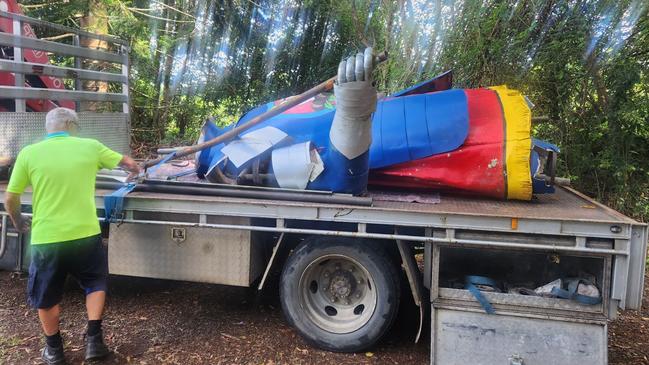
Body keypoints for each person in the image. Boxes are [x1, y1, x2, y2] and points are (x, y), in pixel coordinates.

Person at [4, 107, 140, 365]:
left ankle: (54, 351)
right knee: (95, 282)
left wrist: (18, 220)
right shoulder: (90, 146)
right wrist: (136, 170)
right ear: (72, 126)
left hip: (47, 239)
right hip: (85, 234)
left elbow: (11, 196)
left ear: (49, 128)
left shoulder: (29, 153)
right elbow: (128, 163)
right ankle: (94, 342)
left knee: (45, 293)